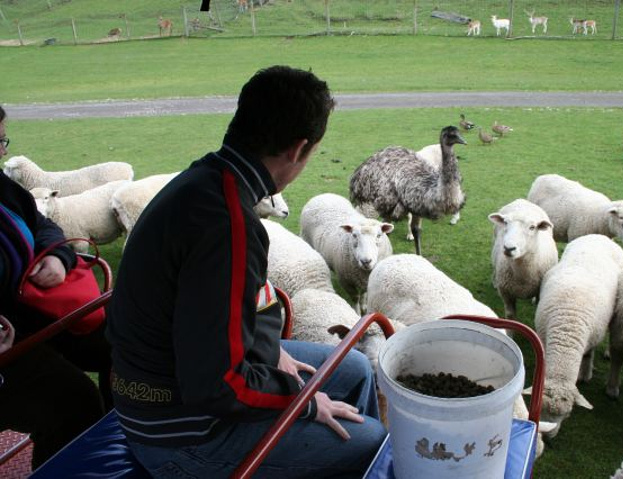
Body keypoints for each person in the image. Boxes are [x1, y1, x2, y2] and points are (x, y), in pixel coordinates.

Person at [106, 66, 387, 478]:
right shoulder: (228, 225)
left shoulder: (206, 181)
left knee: (356, 369)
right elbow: (219, 386)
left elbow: (218, 312)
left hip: (160, 387)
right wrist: (304, 402)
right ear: (298, 149)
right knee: (373, 441)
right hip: (181, 432)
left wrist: (272, 350)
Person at [0, 105, 113, 469]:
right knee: (73, 403)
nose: (2, 152)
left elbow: (43, 227)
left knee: (127, 348)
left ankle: (117, 454)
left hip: (33, 313)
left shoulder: (3, 189)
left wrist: (58, 258)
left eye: (3, 141)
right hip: (9, 339)